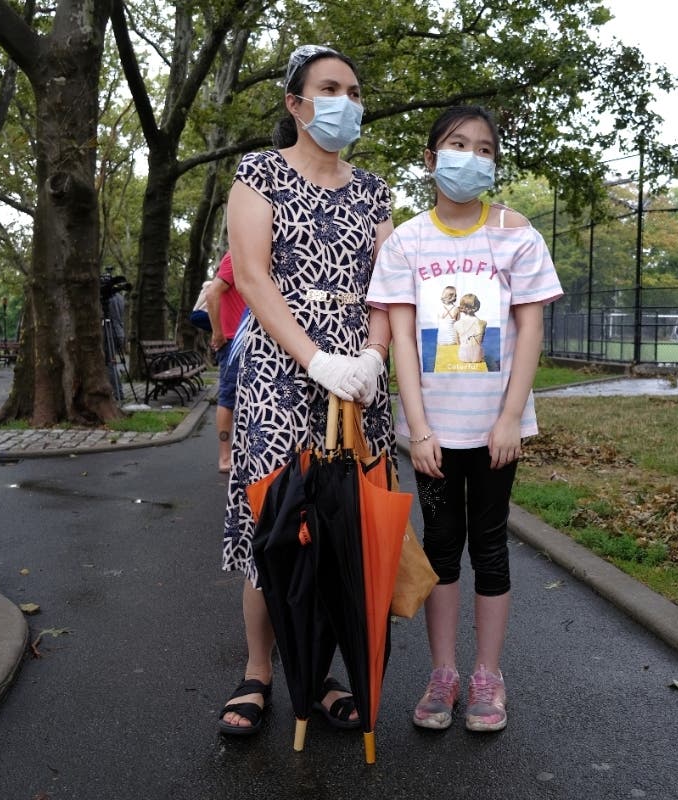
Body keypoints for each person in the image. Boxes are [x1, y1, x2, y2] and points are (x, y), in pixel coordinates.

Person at [217, 44, 394, 736]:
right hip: (279, 375)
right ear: (294, 103)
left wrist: (373, 356)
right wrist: (316, 360)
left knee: (340, 527)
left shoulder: (375, 188)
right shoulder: (258, 173)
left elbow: (389, 284)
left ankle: (318, 675)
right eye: (329, 88)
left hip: (359, 381)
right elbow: (254, 278)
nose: (346, 100)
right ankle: (259, 671)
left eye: (353, 90)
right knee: (276, 522)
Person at [367, 105, 562, 732]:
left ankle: (488, 676)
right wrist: (418, 430)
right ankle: (443, 673)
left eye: (484, 148)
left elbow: (530, 328)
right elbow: (399, 337)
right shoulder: (404, 243)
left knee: (492, 546)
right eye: (457, 144)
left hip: (496, 431)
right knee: (443, 548)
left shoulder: (517, 236)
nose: (470, 157)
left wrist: (510, 418)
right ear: (430, 159)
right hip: (433, 435)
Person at [204, 251, 248, 473]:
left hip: (246, 338)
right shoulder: (234, 256)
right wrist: (218, 334)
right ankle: (224, 457)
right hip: (232, 340)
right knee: (229, 396)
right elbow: (212, 293)